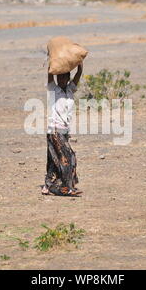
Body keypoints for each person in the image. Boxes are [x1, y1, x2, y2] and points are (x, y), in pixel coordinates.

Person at [41, 63, 83, 196]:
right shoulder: (53, 89)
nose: (61, 80)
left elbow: (77, 76)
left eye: (64, 78)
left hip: (64, 131)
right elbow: (49, 76)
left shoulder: (71, 90)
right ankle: (68, 187)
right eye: (59, 78)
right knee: (70, 157)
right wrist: (51, 63)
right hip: (54, 130)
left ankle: (48, 186)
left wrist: (80, 67)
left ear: (68, 78)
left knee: (54, 160)